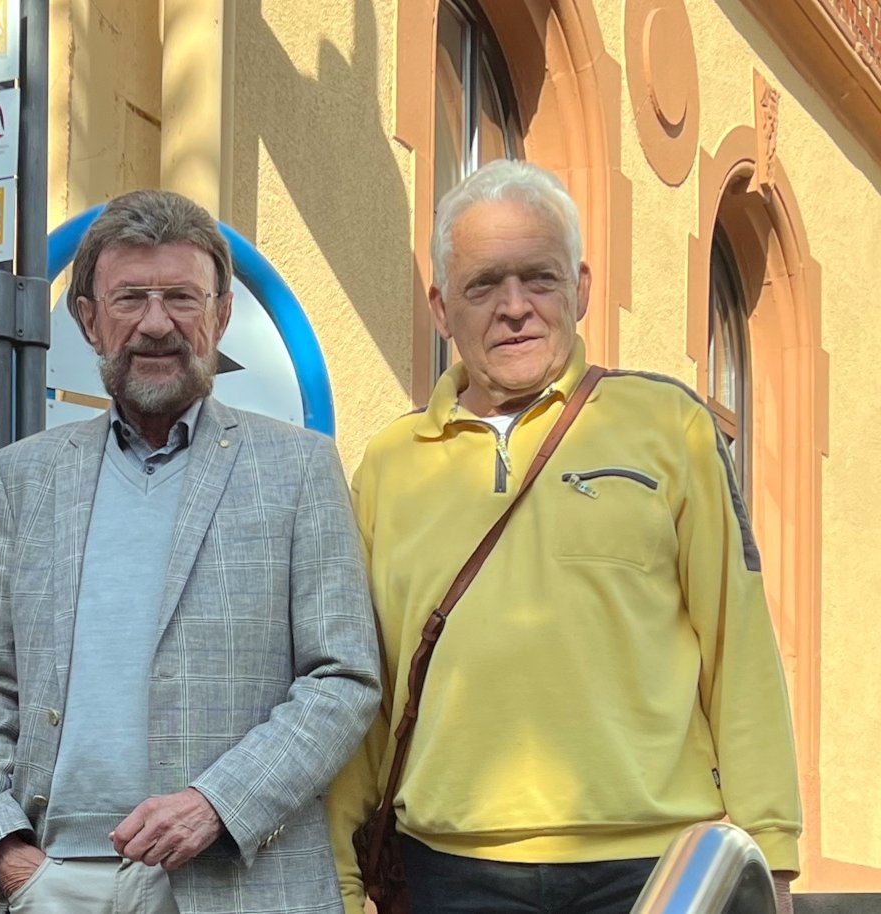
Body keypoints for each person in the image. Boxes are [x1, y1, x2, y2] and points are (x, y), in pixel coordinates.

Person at [327, 159, 801, 914]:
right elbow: (363, 684)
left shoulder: (668, 427)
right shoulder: (389, 466)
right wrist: (343, 878)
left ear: (579, 289)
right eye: (483, 285)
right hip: (448, 870)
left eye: (538, 279)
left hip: (653, 868)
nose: (514, 307)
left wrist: (769, 851)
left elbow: (737, 642)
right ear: (442, 307)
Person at [0, 188, 382, 914]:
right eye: (130, 299)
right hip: (49, 883)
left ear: (220, 316)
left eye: (182, 297)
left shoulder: (299, 468)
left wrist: (214, 804)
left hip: (235, 882)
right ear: (89, 321)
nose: (157, 324)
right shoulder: (22, 477)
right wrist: (3, 851)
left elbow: (343, 679)